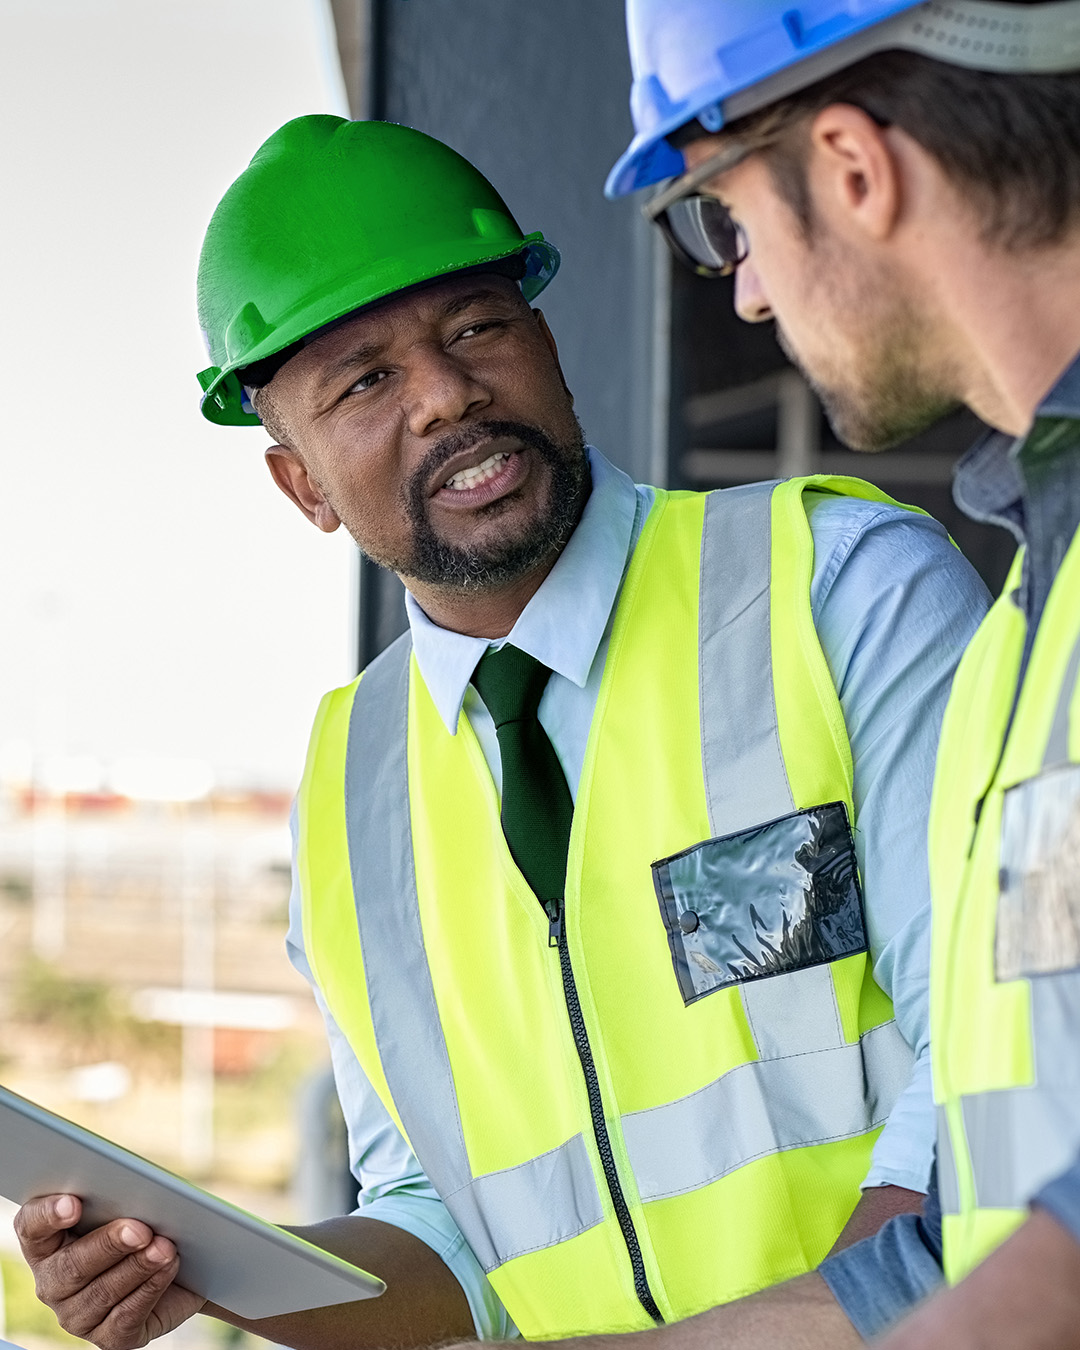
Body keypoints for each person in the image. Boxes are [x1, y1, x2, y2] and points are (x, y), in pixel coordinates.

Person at [13, 115, 987, 1350]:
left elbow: (996, 1066)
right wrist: (214, 1274)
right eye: (365, 380)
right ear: (301, 484)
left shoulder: (835, 588)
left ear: (548, 341)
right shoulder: (348, 789)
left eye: (478, 327)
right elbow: (443, 1226)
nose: (449, 396)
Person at [429, 1, 1080, 1346]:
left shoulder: (952, 600)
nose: (748, 287)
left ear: (851, 166)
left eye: (726, 215)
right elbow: (992, 1204)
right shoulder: (1036, 613)